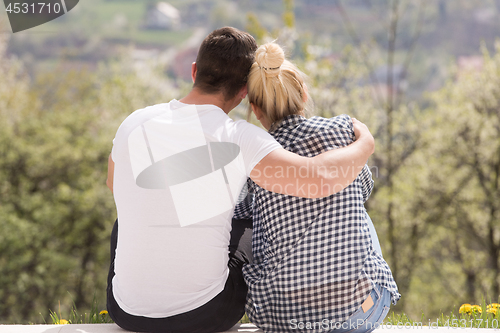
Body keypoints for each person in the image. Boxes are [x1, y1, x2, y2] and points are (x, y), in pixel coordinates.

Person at [105, 27, 375, 333]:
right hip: (207, 314)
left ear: (195, 71)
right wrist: (365, 143)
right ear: (245, 90)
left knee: (126, 218)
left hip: (125, 313)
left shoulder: (134, 122)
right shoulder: (239, 137)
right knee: (251, 219)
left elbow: (115, 185)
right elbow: (321, 179)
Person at [234, 42, 400, 333]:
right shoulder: (341, 132)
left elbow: (242, 211)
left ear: (255, 109)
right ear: (303, 94)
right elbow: (363, 186)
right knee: (356, 199)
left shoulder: (257, 157)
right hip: (359, 313)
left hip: (282, 318)